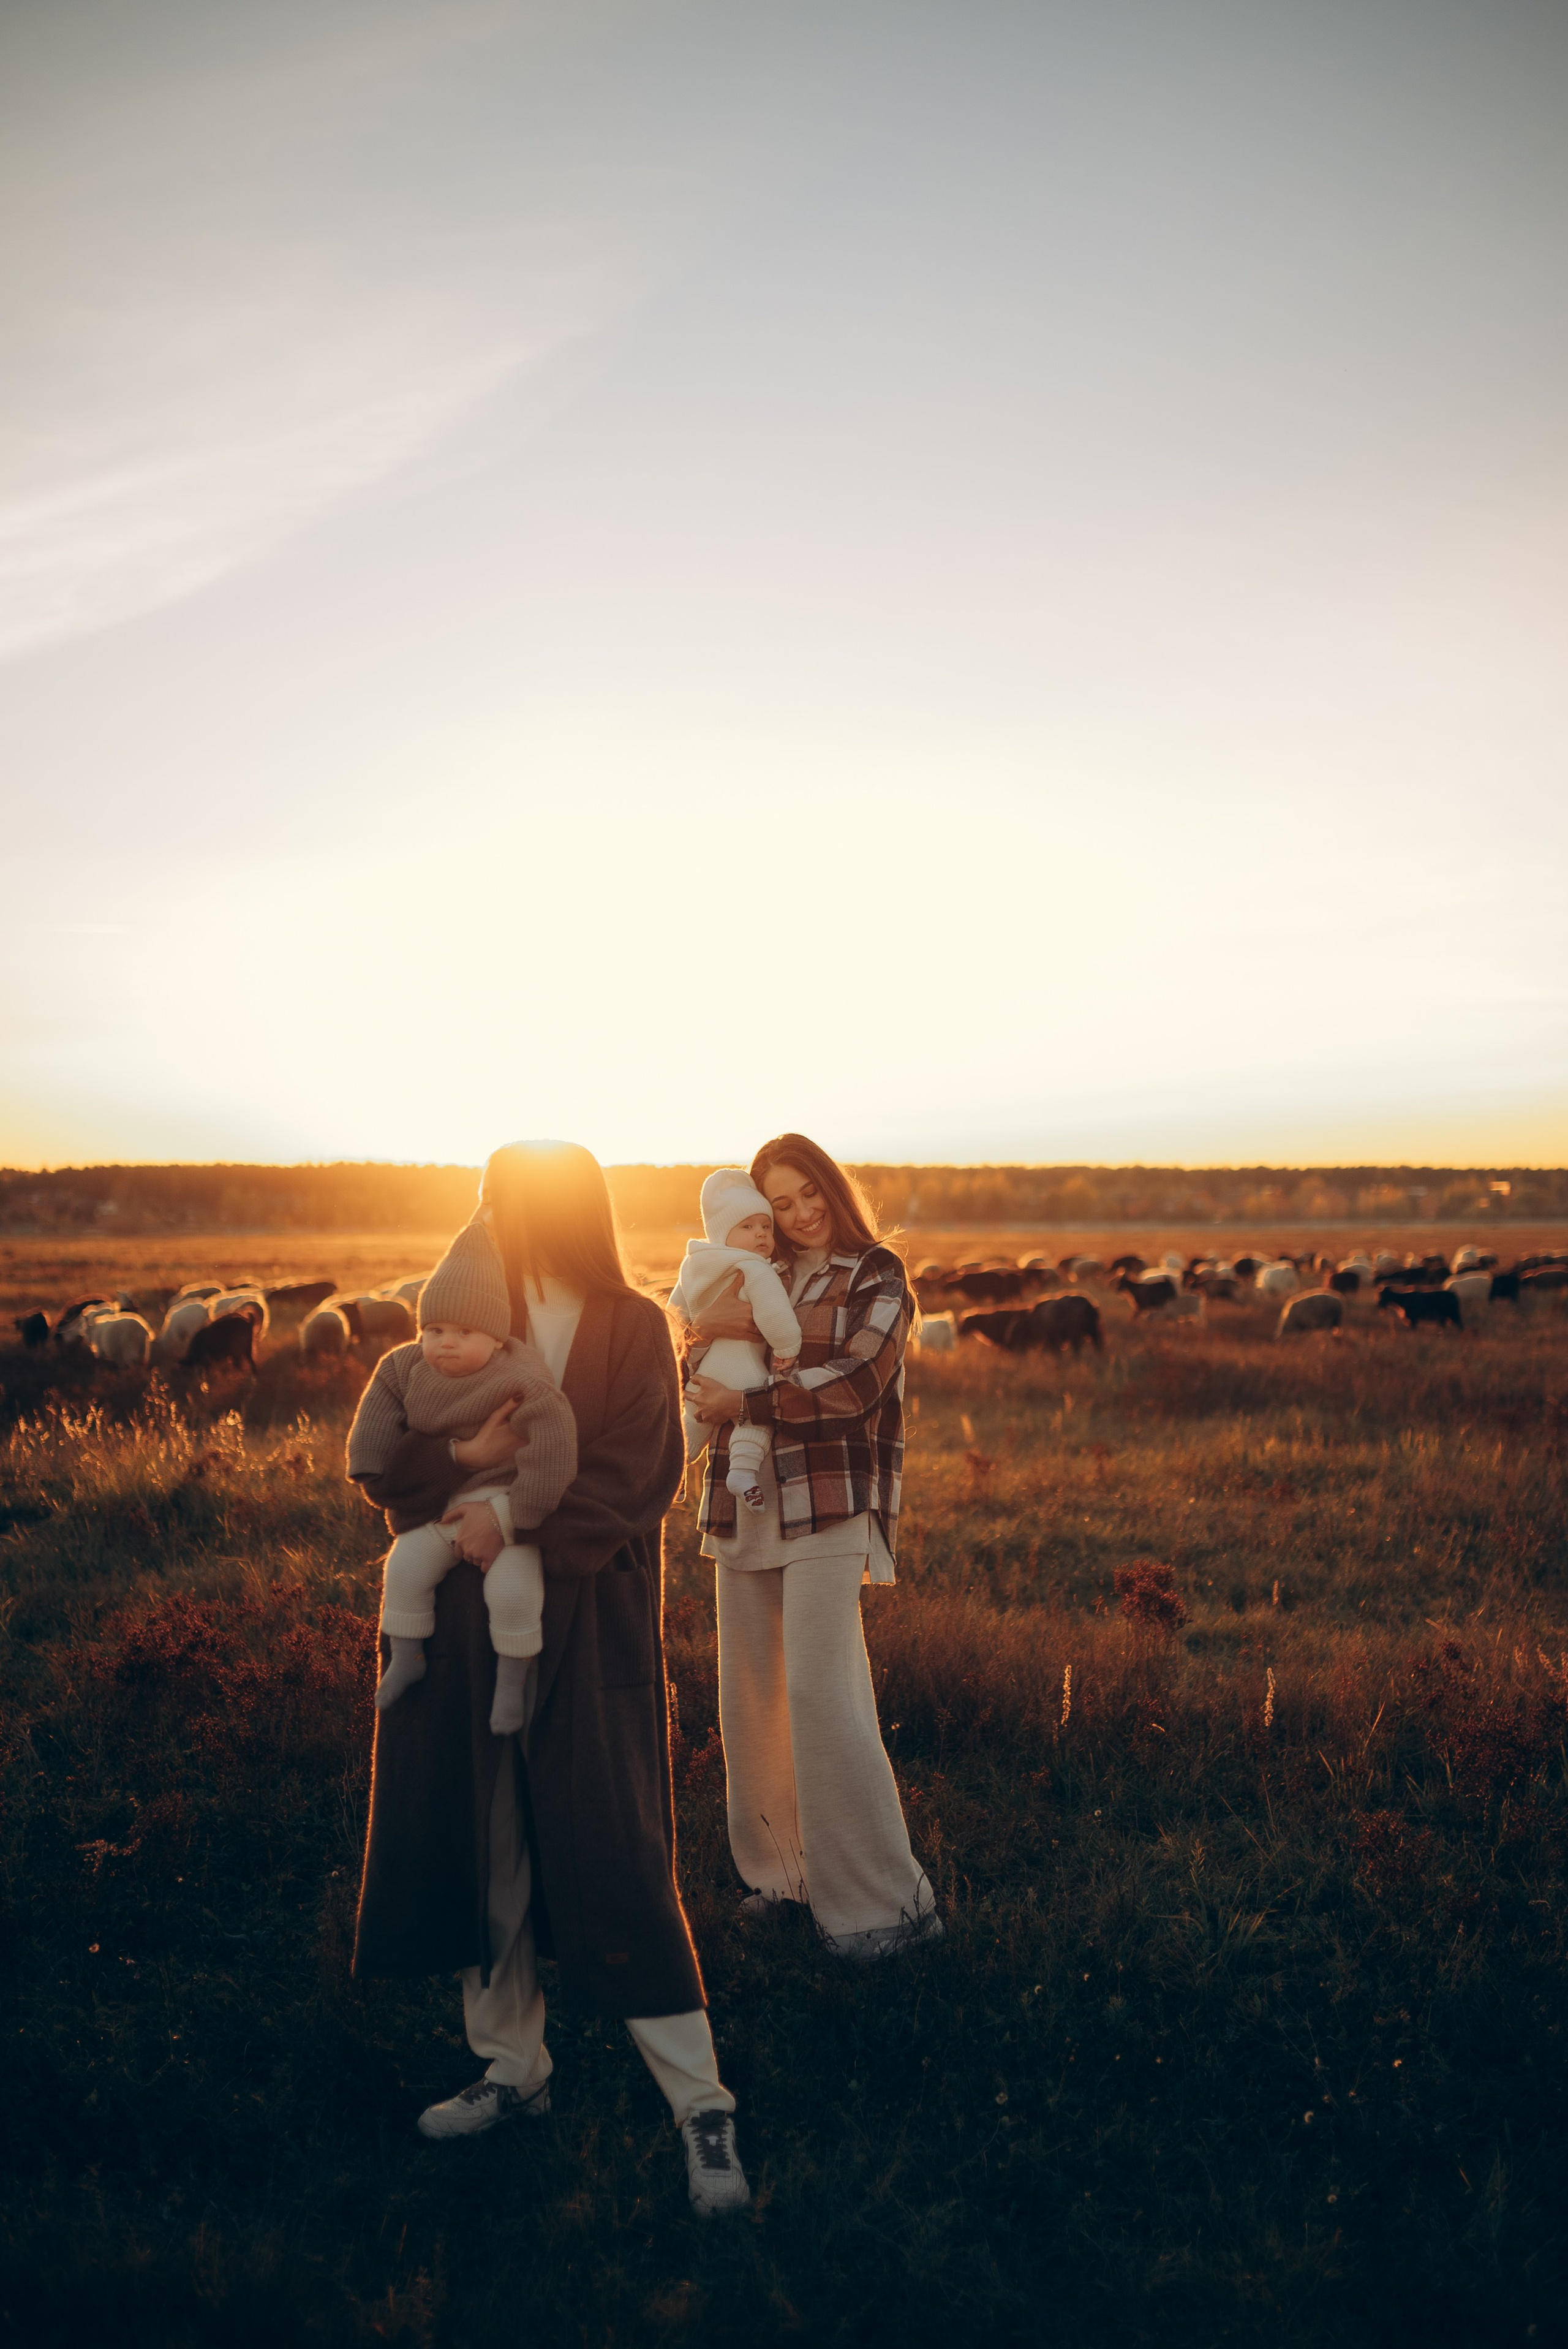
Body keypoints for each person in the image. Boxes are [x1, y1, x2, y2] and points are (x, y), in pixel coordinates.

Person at [352, 1140, 750, 2218]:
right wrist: (464, 1477)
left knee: (615, 1845)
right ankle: (511, 2069)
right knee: (491, 1842)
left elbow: (639, 1475)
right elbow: (403, 1460)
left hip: (591, 1615)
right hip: (472, 1625)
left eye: (508, 1201)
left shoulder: (629, 1325)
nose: (489, 1216)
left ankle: (700, 2104)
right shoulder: (474, 1317)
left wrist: (505, 1510)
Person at [678, 1132, 941, 1962]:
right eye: (777, 1204)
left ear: (833, 1188)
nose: (795, 1216)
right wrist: (704, 1365)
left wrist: (748, 1401)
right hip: (745, 1501)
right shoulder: (753, 1264)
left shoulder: (878, 1275)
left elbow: (861, 1384)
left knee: (821, 1692)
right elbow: (701, 1354)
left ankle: (884, 1906)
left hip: (829, 1500)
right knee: (752, 1696)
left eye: (807, 1195)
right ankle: (784, 1878)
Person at [345, 1219, 577, 1733]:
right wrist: (370, 1457)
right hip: (439, 1506)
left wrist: (522, 1513)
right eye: (435, 1331)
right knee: (404, 1570)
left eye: (463, 1332)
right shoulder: (404, 1368)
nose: (445, 1344)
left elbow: (556, 1441)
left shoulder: (520, 1373)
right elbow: (378, 1416)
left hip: (504, 1501)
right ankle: (407, 1656)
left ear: (496, 1339)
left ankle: (513, 1681)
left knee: (514, 1589)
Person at [669, 1168, 801, 1512]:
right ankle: (743, 1471)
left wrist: (692, 1333)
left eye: (766, 1226)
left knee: (690, 1424)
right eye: (747, 1227)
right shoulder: (754, 1268)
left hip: (701, 1375)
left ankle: (674, 1473)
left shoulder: (690, 1267)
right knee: (755, 1416)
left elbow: (672, 1319)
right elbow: (775, 1314)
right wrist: (787, 1348)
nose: (760, 1234)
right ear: (722, 1233)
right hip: (744, 1369)